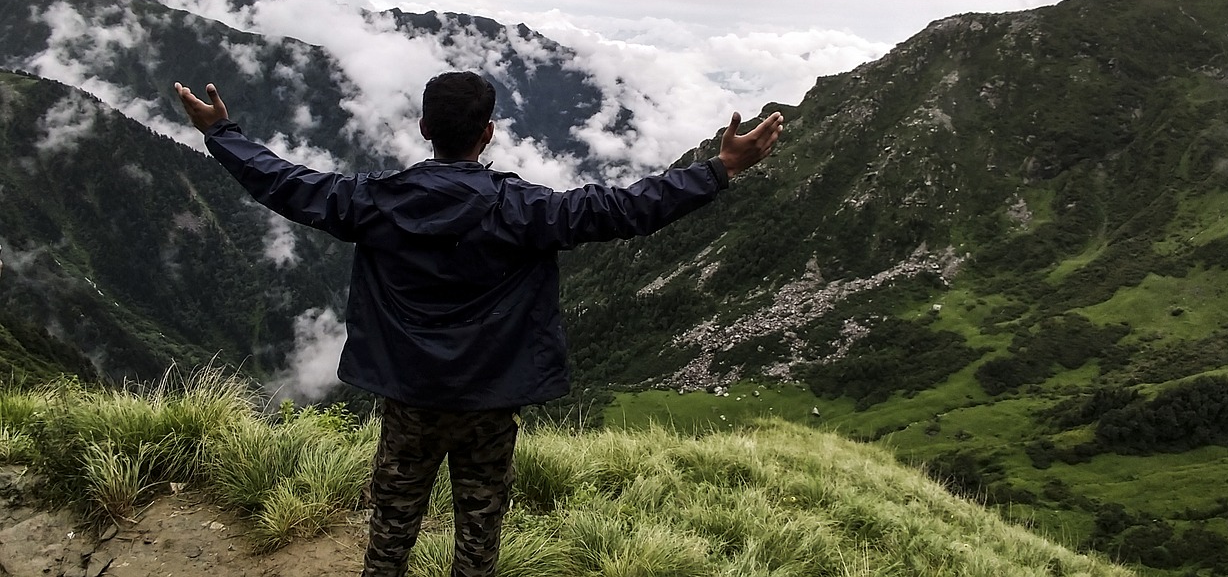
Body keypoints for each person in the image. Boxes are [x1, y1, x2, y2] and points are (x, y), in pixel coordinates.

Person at [174, 72, 782, 577]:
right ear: (488, 134)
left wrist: (222, 133)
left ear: (423, 129)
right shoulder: (530, 210)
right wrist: (720, 169)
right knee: (480, 526)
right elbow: (627, 209)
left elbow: (283, 182)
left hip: (411, 395)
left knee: (392, 522)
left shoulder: (373, 202)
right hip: (490, 399)